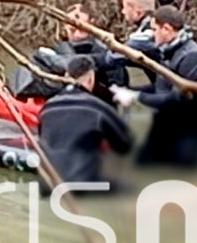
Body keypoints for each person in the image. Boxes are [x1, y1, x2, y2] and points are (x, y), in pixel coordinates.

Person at [110, 5, 197, 169]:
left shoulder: (192, 56)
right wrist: (129, 92)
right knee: (140, 166)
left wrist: (136, 98)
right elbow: (160, 87)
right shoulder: (167, 50)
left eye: (155, 29)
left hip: (183, 136)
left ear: (167, 28)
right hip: (162, 126)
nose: (152, 34)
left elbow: (177, 99)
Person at [36, 55, 134, 196]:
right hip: (81, 186)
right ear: (91, 78)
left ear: (66, 75)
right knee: (131, 188)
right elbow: (125, 145)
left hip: (47, 186)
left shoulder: (47, 108)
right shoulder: (96, 108)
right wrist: (126, 108)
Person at [53, 4, 129, 103]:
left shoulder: (105, 49)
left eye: (77, 18)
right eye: (69, 22)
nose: (73, 24)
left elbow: (118, 85)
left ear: (91, 22)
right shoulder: (58, 52)